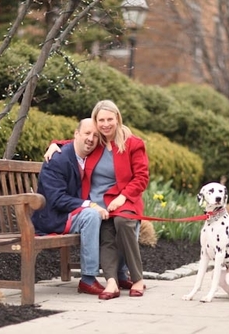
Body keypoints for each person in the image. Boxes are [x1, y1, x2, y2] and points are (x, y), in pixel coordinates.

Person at [45, 100, 149, 300]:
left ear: (117, 118)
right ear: (96, 121)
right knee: (107, 230)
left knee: (122, 223)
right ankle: (111, 281)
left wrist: (122, 197)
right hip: (98, 203)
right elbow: (75, 142)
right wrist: (54, 145)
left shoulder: (133, 143)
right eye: (101, 120)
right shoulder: (98, 142)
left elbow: (141, 177)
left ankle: (137, 278)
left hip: (125, 200)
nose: (105, 124)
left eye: (110, 119)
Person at [32, 118, 109, 295]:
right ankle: (88, 279)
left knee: (114, 217)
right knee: (91, 215)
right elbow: (57, 199)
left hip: (73, 212)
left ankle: (118, 274)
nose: (91, 139)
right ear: (76, 134)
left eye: (96, 136)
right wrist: (90, 205)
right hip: (54, 217)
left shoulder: (90, 156)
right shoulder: (57, 160)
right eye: (87, 133)